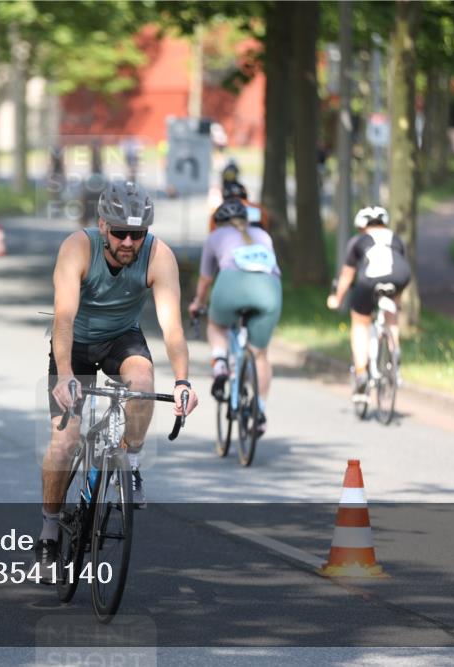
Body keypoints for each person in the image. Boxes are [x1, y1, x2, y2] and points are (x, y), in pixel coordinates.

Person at [35, 180, 200, 575]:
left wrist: (182, 381)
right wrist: (64, 376)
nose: (129, 242)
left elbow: (172, 328)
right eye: (121, 232)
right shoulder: (78, 247)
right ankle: (48, 529)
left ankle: (133, 460)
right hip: (73, 342)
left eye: (138, 234)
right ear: (102, 225)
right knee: (65, 439)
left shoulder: (158, 256)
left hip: (121, 338)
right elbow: (64, 318)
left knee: (143, 383)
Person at [189, 199, 281, 434]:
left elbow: (205, 280)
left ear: (217, 223)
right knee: (260, 354)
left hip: (230, 286)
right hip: (269, 290)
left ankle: (220, 362)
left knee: (217, 326)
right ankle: (259, 411)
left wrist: (198, 303)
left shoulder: (215, 237)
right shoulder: (263, 235)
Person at [327, 206, 411, 399]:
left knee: (360, 322)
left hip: (370, 279)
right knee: (392, 316)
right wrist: (396, 303)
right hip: (400, 276)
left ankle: (361, 371)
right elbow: (398, 266)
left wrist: (337, 299)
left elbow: (347, 275)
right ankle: (394, 350)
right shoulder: (396, 239)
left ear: (361, 226)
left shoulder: (358, 241)